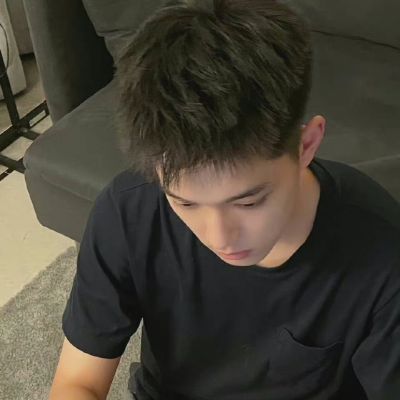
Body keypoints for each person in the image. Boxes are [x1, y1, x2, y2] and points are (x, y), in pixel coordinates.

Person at [49, 1, 400, 399]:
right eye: (185, 203)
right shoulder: (128, 212)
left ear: (307, 144)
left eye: (248, 202)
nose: (219, 238)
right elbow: (78, 382)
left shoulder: (382, 255)